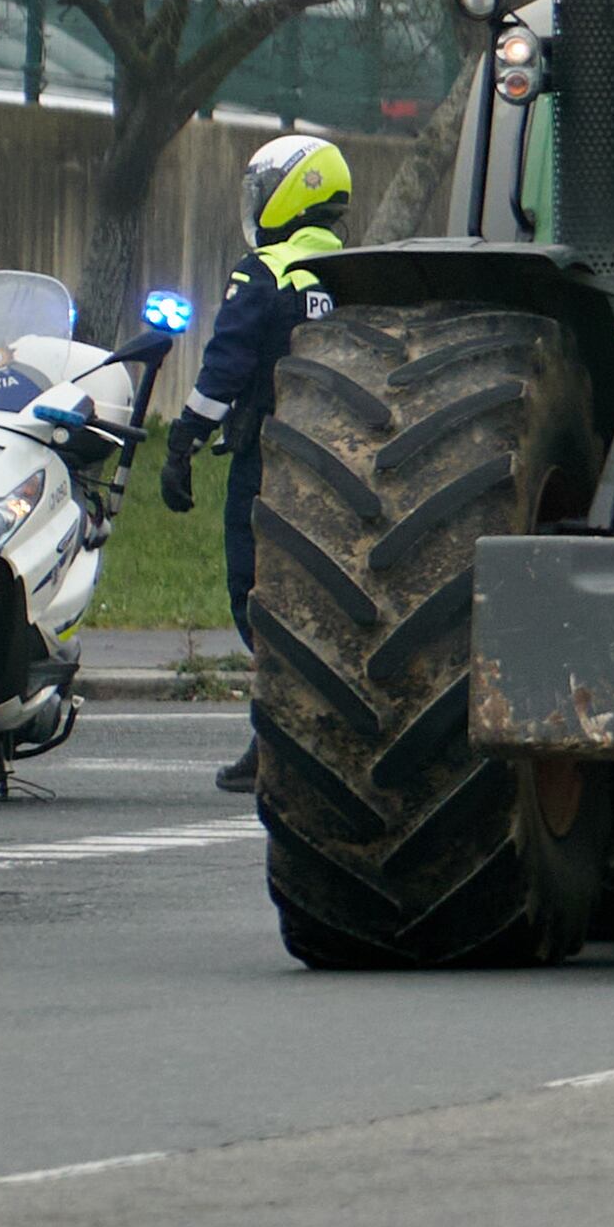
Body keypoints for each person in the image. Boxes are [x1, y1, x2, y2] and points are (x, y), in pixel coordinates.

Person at [165, 135, 353, 796]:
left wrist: (183, 439)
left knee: (256, 596)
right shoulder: (358, 271)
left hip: (268, 459)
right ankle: (291, 732)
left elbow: (225, 370)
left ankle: (277, 736)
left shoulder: (263, 272)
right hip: (341, 464)